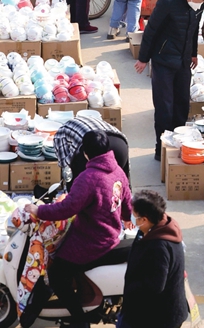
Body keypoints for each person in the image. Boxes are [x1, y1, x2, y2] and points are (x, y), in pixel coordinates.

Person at [31, 130, 132, 324]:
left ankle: (78, 319)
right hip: (112, 235)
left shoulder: (88, 178)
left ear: (85, 153)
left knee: (56, 274)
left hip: (91, 243)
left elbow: (67, 209)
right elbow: (126, 197)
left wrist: (38, 210)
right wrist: (127, 218)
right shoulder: (117, 170)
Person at [136, 0, 204, 159]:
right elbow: (151, 30)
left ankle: (178, 143)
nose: (199, 5)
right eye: (198, 1)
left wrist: (193, 53)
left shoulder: (198, 4)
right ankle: (161, 148)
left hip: (183, 60)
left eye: (202, 3)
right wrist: (143, 58)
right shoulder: (168, 2)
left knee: (182, 104)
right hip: (163, 60)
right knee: (165, 106)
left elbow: (193, 30)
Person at [122, 189, 188, 328]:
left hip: (157, 318)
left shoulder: (158, 247)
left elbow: (154, 286)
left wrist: (132, 290)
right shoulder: (156, 227)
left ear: (144, 219)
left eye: (135, 215)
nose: (132, 218)